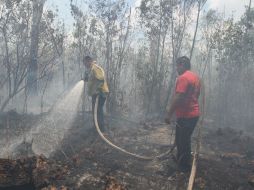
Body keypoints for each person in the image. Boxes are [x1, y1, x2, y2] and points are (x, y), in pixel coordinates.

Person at [165, 56, 201, 172]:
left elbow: (178, 97)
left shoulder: (183, 78)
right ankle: (181, 161)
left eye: (177, 65)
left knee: (183, 141)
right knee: (181, 139)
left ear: (182, 65)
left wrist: (169, 114)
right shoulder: (195, 77)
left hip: (186, 116)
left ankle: (184, 167)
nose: (176, 68)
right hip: (193, 114)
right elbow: (196, 95)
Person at [83, 55, 109, 132]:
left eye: (85, 63)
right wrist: (85, 78)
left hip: (100, 92)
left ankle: (102, 129)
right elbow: (91, 79)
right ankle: (96, 128)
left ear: (89, 61)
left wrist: (98, 90)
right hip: (95, 93)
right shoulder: (90, 70)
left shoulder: (96, 68)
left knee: (98, 110)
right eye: (84, 63)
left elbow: (101, 79)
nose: (85, 65)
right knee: (95, 110)